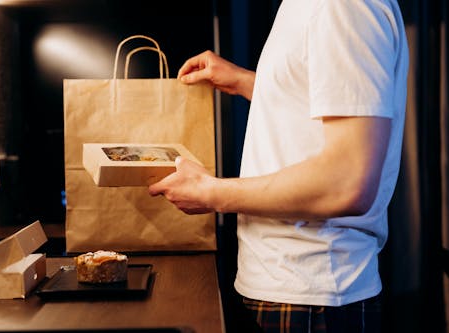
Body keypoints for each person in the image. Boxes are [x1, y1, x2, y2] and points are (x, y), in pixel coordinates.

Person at [149, 0, 409, 332]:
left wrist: (209, 192)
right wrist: (247, 82)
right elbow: (318, 100)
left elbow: (347, 182)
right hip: (289, 287)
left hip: (311, 295)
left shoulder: (341, 5)